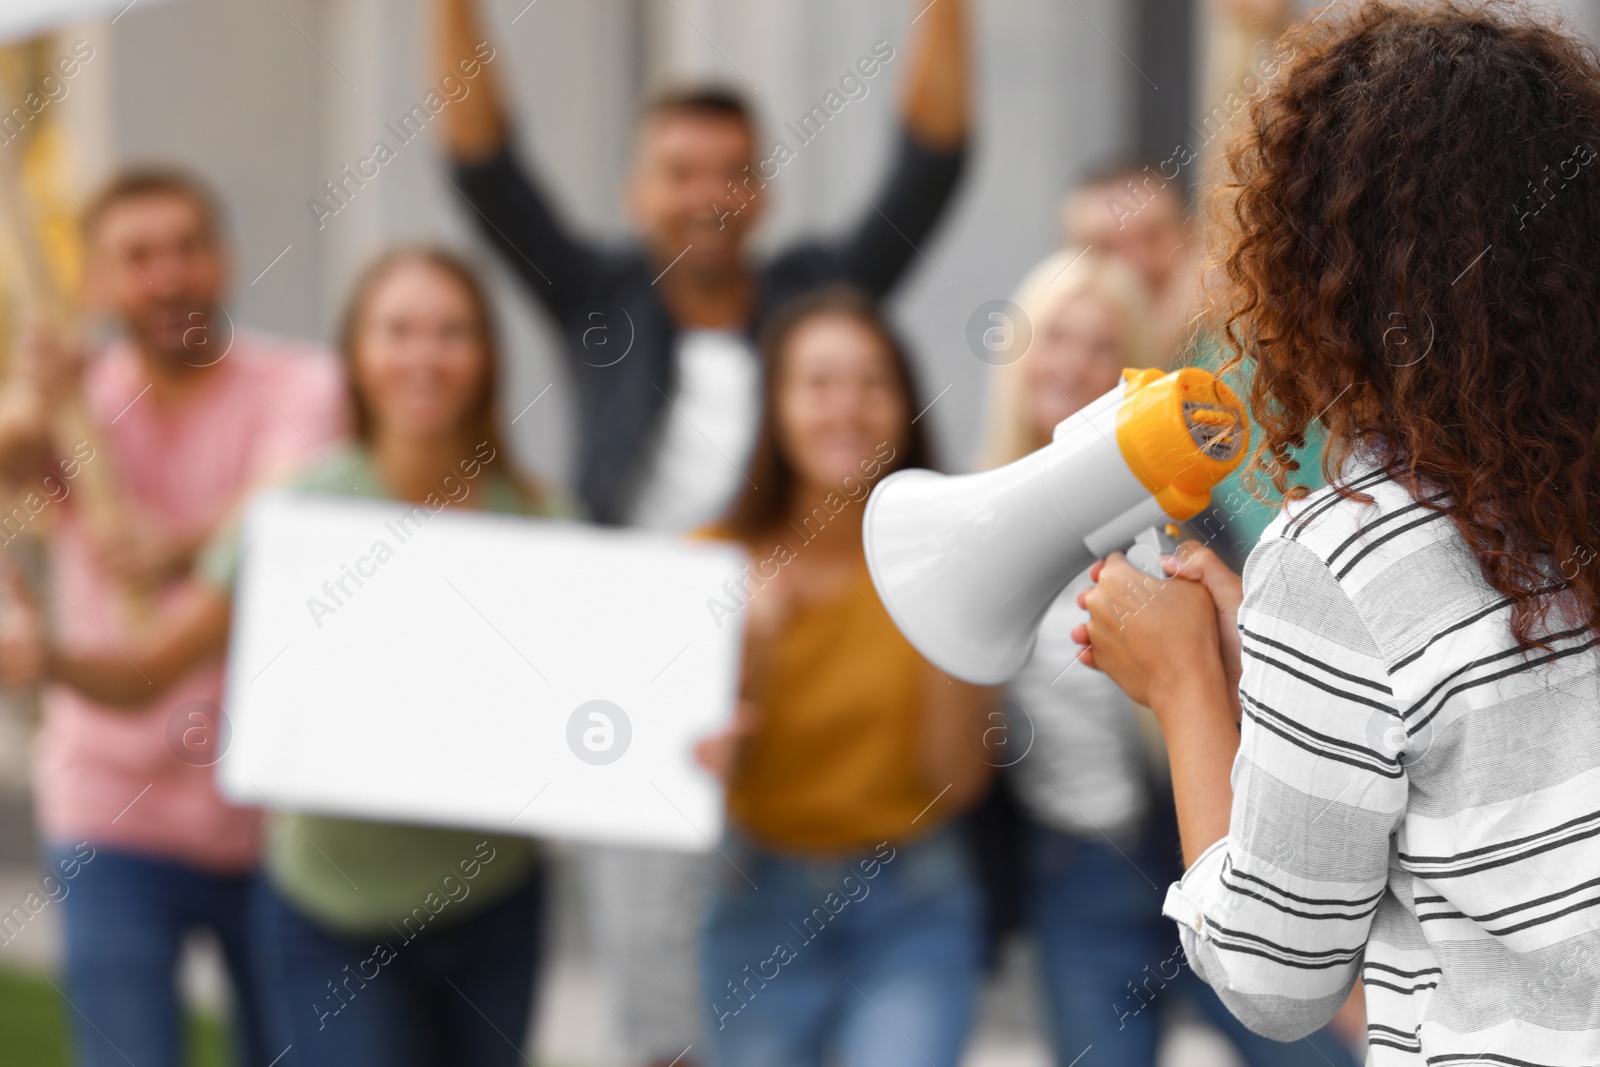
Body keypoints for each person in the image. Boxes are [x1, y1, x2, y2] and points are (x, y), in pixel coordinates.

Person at [430, 3, 972, 1061]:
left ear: (761, 191)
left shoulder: (818, 296)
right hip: (639, 697)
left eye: (730, 170)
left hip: (794, 686)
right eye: (679, 171)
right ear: (639, 193)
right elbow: (482, 167)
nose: (706, 195)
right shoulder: (601, 298)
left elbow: (932, 164)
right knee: (659, 999)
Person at [1078, 3, 1600, 1063]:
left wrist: (1187, 688)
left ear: (1317, 267)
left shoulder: (1348, 553)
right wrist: (1275, 666)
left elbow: (1276, 979)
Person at [0, 247, 568, 1067]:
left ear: (488, 356)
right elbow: (155, 668)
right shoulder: (299, 509)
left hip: (493, 902)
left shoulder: (540, 519)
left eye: (452, 332)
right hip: (329, 908)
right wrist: (49, 658)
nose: (424, 356)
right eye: (397, 331)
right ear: (357, 357)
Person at [980, 249, 1359, 1067]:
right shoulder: (974, 518)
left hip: (1185, 839)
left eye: (1102, 345)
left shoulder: (1194, 522)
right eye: (1057, 338)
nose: (1075, 363)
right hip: (1071, 870)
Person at [0, 169, 344, 1067]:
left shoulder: (303, 385)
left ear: (224, 261)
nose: (169, 275)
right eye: (138, 256)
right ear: (98, 285)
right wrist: (39, 397)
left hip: (275, 804)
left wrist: (181, 545)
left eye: (187, 247)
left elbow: (284, 516)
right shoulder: (79, 406)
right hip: (112, 801)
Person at [694, 287, 992, 1067]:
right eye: (818, 383)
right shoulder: (712, 561)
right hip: (756, 895)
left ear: (906, 404)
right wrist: (752, 650)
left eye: (872, 382)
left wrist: (950, 621)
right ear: (776, 404)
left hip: (913, 899)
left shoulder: (950, 558)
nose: (847, 408)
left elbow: (952, 784)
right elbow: (699, 782)